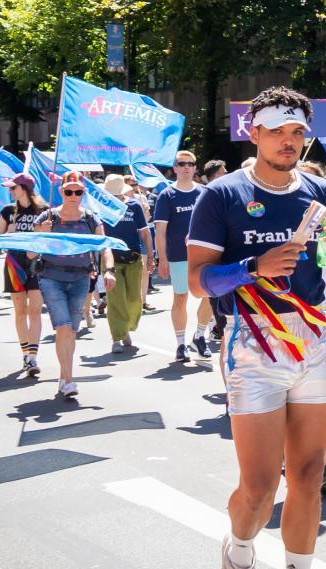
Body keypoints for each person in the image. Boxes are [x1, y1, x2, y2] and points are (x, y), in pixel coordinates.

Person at [190, 86, 326, 569]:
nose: (289, 143)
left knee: (308, 476)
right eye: (277, 132)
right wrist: (251, 267)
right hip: (253, 345)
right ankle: (239, 551)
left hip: (314, 341)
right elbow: (196, 281)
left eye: (297, 134)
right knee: (261, 488)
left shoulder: (322, 193)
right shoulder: (221, 195)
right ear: (253, 132)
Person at [33, 172, 110, 398]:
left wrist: (110, 270)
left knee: (72, 332)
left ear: (83, 193)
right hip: (51, 278)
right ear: (61, 192)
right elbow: (30, 253)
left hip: (80, 278)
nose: (73, 195)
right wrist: (42, 235)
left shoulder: (90, 219)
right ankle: (68, 379)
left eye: (78, 191)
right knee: (64, 327)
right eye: (69, 191)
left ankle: (64, 376)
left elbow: (104, 246)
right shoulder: (46, 218)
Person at [153, 150, 212, 363]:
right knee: (181, 297)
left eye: (190, 163)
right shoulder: (166, 196)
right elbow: (160, 232)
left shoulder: (205, 192)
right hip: (178, 256)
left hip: (205, 256)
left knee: (208, 296)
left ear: (195, 168)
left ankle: (200, 336)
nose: (186, 167)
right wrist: (162, 259)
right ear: (175, 168)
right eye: (182, 163)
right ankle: (180, 344)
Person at [0, 174, 48, 378]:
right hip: (14, 263)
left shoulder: (43, 211)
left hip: (37, 263)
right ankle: (25, 354)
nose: (10, 191)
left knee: (35, 310)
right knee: (20, 310)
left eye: (13, 188)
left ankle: (33, 356)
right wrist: (7, 233)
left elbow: (49, 238)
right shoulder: (8, 211)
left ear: (24, 188)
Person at [99, 176, 154, 355]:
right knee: (116, 299)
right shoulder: (101, 207)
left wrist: (151, 256)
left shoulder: (134, 206)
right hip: (111, 259)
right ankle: (117, 336)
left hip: (133, 257)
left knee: (133, 299)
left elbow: (145, 233)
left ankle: (127, 328)